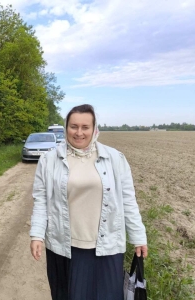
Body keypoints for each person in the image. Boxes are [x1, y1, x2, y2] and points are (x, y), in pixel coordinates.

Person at [29, 104, 148, 300]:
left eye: (85, 127)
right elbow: (41, 201)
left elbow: (128, 201)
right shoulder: (49, 160)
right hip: (65, 247)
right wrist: (37, 235)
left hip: (106, 246)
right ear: (66, 127)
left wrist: (138, 236)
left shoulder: (115, 159)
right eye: (73, 126)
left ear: (94, 129)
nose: (79, 132)